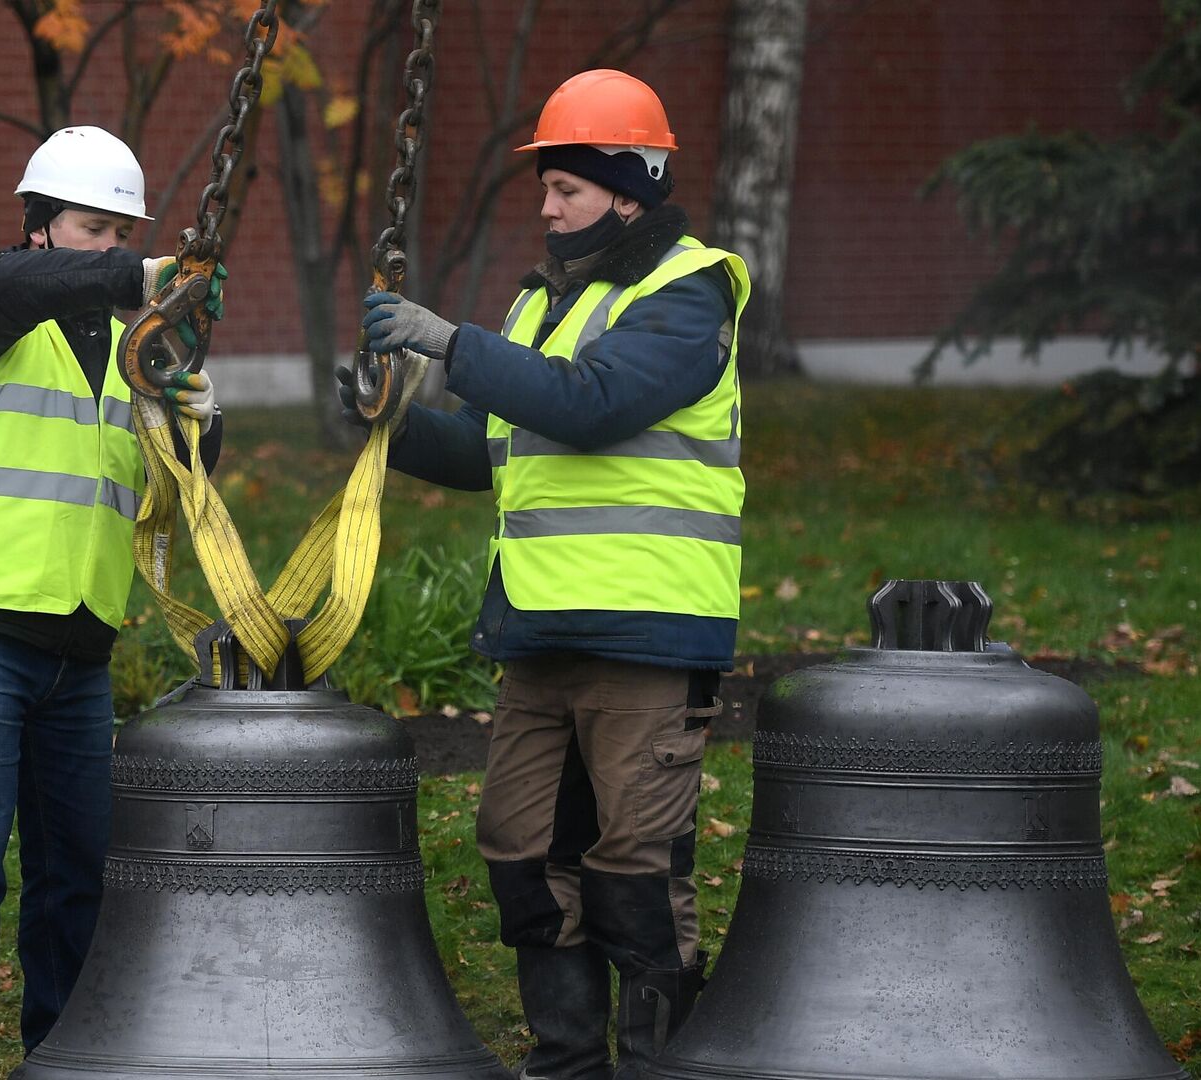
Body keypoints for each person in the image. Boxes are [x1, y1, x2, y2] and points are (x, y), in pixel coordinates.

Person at [344, 70, 750, 1080]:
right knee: (521, 854)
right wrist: (385, 426)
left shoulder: (688, 289)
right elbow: (496, 451)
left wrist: (447, 342)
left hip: (649, 631)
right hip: (540, 632)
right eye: (545, 185)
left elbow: (596, 404)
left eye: (566, 186)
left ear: (628, 188)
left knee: (635, 871)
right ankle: (567, 1063)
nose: (546, 204)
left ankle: (657, 1064)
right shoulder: (543, 303)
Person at [0, 124, 225, 1080]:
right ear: (37, 227)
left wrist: (202, 426)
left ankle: (65, 1050)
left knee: (77, 873)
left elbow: (175, 486)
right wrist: (131, 277)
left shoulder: (139, 348)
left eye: (125, 233)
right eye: (94, 229)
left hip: (81, 638)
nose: (114, 250)